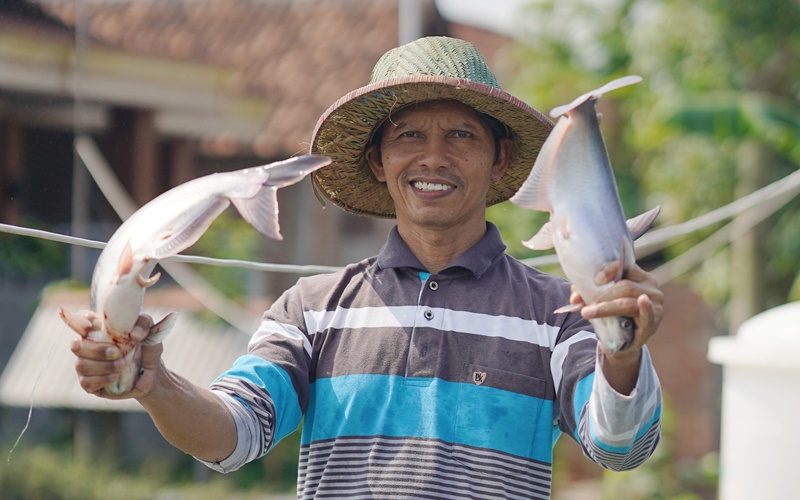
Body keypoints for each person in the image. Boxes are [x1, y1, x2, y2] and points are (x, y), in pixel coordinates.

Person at [70, 37, 663, 499]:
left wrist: (622, 348)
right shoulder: (312, 309)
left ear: (499, 158)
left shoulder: (559, 312)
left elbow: (621, 448)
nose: (434, 157)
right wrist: (152, 382)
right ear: (378, 161)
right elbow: (235, 434)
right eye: (409, 135)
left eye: (461, 134)